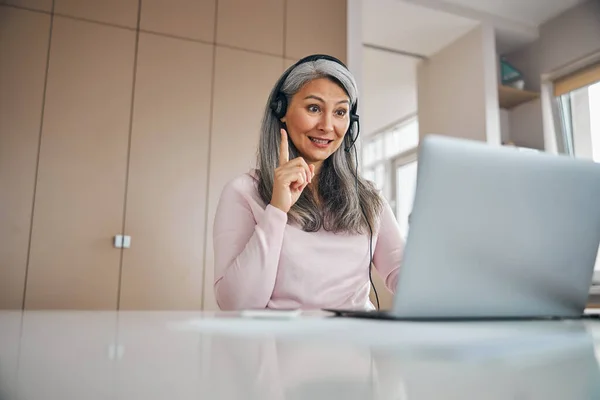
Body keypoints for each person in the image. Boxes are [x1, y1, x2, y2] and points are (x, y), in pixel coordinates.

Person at [212, 54, 405, 311]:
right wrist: (277, 210)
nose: (327, 126)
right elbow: (236, 304)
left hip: (355, 346)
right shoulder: (243, 192)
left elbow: (404, 275)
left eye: (340, 112)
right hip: (277, 347)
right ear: (282, 111)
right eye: (314, 108)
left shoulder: (368, 196)